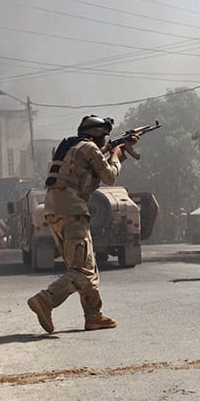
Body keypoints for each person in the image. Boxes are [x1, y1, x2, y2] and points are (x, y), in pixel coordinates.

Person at [26, 115, 138, 333]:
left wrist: (121, 149)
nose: (106, 139)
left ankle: (94, 316)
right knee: (83, 270)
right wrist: (116, 155)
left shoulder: (72, 147)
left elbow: (87, 169)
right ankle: (45, 300)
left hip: (54, 210)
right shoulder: (89, 148)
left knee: (86, 267)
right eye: (104, 135)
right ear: (97, 135)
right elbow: (110, 177)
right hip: (73, 210)